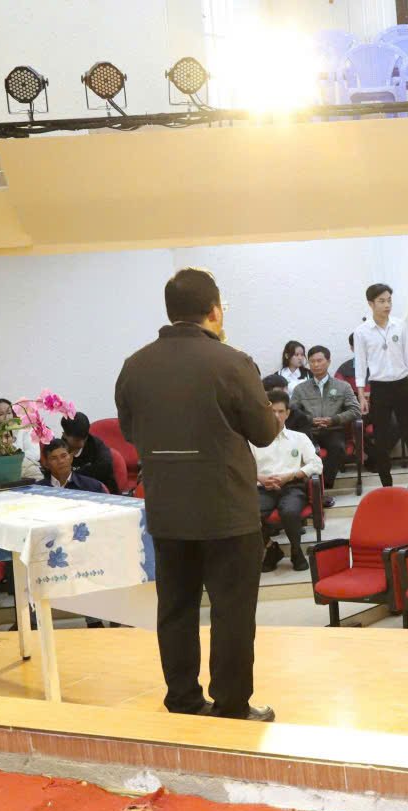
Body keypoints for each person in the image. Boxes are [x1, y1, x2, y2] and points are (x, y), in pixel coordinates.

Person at [115, 267, 280, 722]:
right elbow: (265, 432)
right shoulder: (232, 362)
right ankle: (231, 705)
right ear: (214, 310)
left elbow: (130, 432)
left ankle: (183, 700)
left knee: (175, 610)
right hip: (226, 510)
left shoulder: (135, 365)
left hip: (167, 508)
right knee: (231, 612)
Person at [351, 284, 408, 488]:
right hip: (380, 388)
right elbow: (361, 364)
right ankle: (387, 486)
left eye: (389, 300)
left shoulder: (400, 325)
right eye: (382, 301)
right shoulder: (361, 332)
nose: (387, 305)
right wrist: (361, 394)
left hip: (403, 385)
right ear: (371, 304)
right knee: (382, 439)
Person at [255, 389, 322, 573]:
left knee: (290, 511)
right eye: (272, 412)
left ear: (288, 413)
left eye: (280, 411)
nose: (276, 416)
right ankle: (271, 549)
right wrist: (259, 478)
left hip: (292, 487)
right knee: (249, 513)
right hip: (263, 488)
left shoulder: (299, 438)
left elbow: (317, 464)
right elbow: (244, 467)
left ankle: (296, 551)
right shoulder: (254, 440)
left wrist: (291, 475)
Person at [292, 345, 360, 491]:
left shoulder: (343, 386)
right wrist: (309, 420)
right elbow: (292, 412)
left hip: (333, 430)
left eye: (319, 361)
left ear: (328, 362)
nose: (316, 365)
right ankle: (311, 488)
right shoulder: (300, 389)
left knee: (338, 448)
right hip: (309, 432)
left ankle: (323, 487)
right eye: (312, 361)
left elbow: (355, 410)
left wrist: (334, 419)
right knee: (306, 451)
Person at [60, 413, 119, 495]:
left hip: (102, 494)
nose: (81, 444)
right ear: (65, 435)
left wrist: (73, 475)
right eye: (77, 440)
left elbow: (106, 467)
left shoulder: (96, 445)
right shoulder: (59, 449)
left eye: (84, 439)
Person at [39, 438, 106, 492]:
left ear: (71, 458)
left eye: (64, 456)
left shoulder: (93, 487)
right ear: (46, 464)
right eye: (54, 458)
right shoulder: (38, 490)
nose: (60, 461)